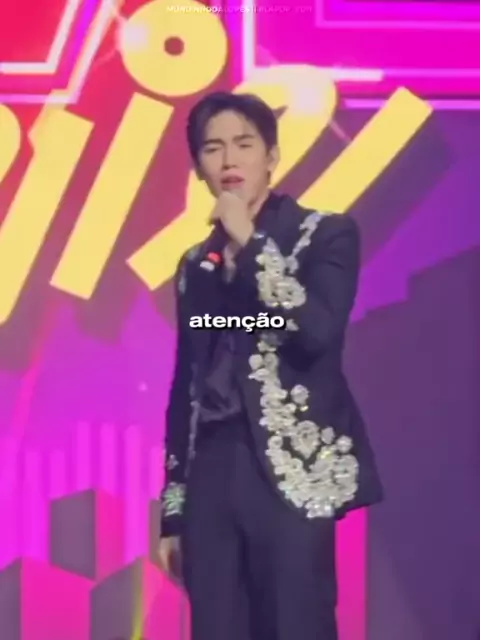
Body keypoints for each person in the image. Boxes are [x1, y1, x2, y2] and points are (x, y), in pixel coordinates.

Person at [157, 91, 383, 640]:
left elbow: (316, 331)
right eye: (213, 148)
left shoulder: (324, 234)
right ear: (199, 167)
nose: (229, 160)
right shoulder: (196, 264)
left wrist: (251, 243)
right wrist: (174, 510)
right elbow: (187, 382)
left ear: (272, 156)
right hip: (212, 469)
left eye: (244, 144)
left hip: (290, 470)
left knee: (295, 623)